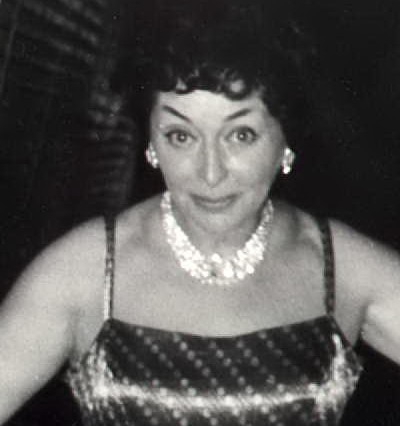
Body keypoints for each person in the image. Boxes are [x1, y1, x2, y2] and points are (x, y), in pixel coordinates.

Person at [1, 1, 400, 425]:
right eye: (180, 135)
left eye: (241, 135)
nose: (210, 173)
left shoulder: (343, 268)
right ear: (151, 143)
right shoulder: (84, 272)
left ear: (286, 139)